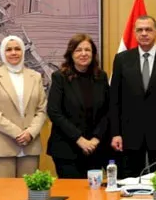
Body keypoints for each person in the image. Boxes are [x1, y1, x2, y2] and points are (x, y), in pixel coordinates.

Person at [110, 15, 156, 178]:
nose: (144, 33)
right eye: (140, 30)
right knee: (129, 182)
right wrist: (115, 133)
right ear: (134, 33)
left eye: (148, 29)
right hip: (129, 135)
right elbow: (114, 100)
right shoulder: (122, 59)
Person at [0, 35, 47, 177]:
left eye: (17, 49)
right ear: (2, 52)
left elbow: (41, 110)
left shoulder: (35, 76)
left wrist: (30, 133)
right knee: (3, 191)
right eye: (9, 49)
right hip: (1, 146)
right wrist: (17, 133)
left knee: (28, 190)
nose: (13, 53)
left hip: (30, 146)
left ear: (23, 51)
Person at [47, 34, 111, 178]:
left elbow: (108, 111)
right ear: (71, 54)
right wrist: (79, 139)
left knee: (94, 191)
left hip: (95, 149)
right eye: (78, 50)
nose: (83, 54)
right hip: (67, 149)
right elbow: (54, 112)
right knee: (72, 191)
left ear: (93, 54)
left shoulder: (101, 77)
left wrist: (96, 139)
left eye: (87, 50)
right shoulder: (60, 77)